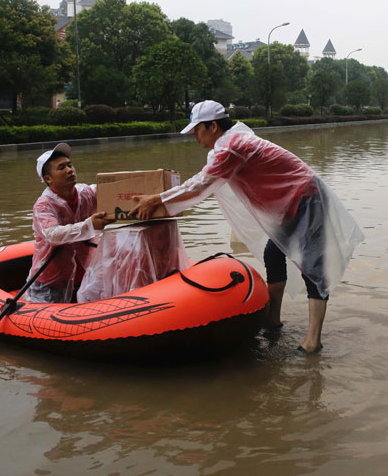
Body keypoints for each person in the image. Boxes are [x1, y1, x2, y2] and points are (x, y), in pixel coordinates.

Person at [130, 100, 365, 354]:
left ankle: (312, 341)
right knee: (273, 254)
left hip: (306, 197)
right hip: (291, 201)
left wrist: (157, 199)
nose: (195, 137)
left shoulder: (232, 146)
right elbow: (204, 183)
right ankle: (273, 320)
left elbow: (200, 185)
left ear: (212, 126)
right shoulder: (233, 142)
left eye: (197, 130)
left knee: (311, 267)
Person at [27, 142, 112, 303]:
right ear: (48, 179)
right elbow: (53, 235)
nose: (69, 170)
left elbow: (111, 190)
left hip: (86, 277)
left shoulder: (86, 193)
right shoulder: (44, 205)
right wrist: (90, 225)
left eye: (70, 165)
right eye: (61, 168)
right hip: (51, 282)